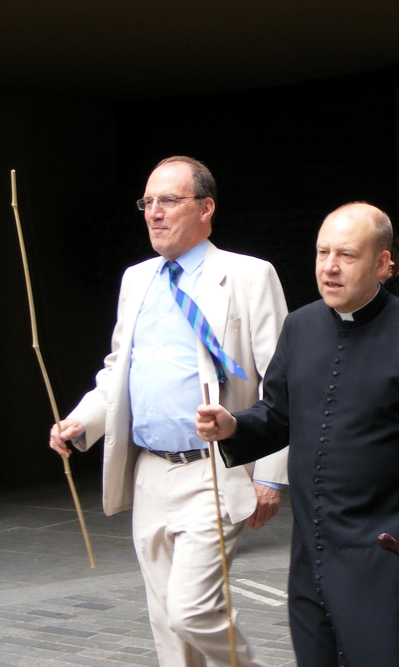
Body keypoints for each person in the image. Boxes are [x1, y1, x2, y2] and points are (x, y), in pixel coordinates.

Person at [196, 203, 399, 667]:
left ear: (383, 264)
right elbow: (277, 415)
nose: (329, 266)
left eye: (346, 255)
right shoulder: (300, 327)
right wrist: (233, 425)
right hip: (313, 556)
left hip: (388, 557)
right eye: (322, 252)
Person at [49, 156, 288, 667]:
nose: (155, 212)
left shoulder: (247, 275)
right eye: (148, 202)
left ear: (206, 208)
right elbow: (117, 371)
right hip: (149, 472)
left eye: (169, 200)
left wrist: (271, 473)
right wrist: (79, 421)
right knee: (167, 628)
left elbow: (282, 380)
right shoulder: (137, 280)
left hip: (213, 469)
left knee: (193, 612)